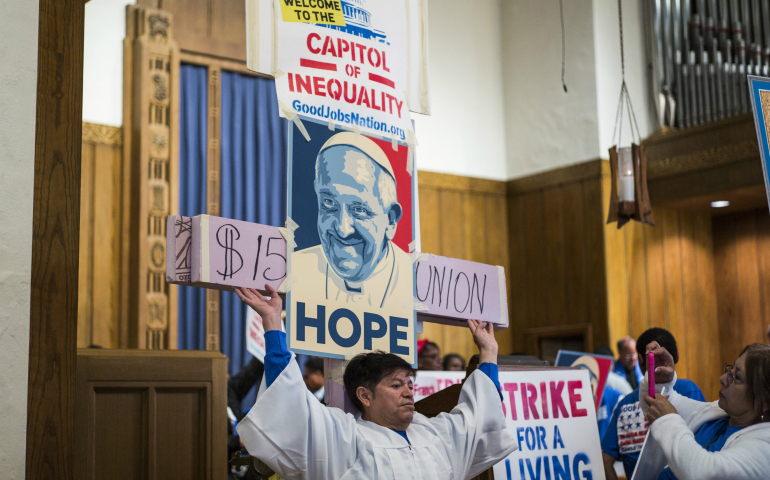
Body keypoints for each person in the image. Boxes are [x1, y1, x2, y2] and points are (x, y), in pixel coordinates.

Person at [234, 284, 517, 480]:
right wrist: (272, 323)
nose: (408, 392)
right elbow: (290, 402)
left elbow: (483, 415)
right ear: (365, 396)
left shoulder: (435, 434)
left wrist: (489, 351)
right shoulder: (346, 439)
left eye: (409, 383)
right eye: (396, 385)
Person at [292, 132, 412, 308]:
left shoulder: (414, 283)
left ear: (391, 220)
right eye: (329, 203)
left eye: (359, 210)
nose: (342, 228)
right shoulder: (295, 270)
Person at [634, 342, 770, 480]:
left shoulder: (765, 446)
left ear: (764, 400)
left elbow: (707, 473)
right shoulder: (720, 414)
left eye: (737, 377)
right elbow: (656, 405)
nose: (722, 379)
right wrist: (659, 381)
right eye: (730, 370)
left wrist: (669, 420)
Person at [601, 328, 705, 480]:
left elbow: (605, 460)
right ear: (676, 356)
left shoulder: (623, 405)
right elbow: (705, 444)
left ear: (641, 360)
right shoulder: (689, 390)